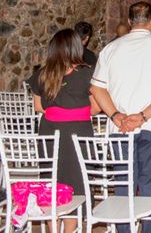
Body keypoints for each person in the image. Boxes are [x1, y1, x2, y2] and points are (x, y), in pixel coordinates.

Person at [90, 1, 151, 233]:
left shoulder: (110, 49)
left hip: (120, 129)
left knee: (125, 186)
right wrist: (143, 116)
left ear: (130, 21)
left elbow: (97, 89)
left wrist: (115, 115)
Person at [28, 29, 100, 233]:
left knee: (52, 180)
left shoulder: (43, 74)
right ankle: (69, 230)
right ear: (77, 48)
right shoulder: (88, 73)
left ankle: (53, 229)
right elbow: (96, 108)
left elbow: (39, 107)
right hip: (78, 134)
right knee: (77, 182)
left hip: (49, 134)